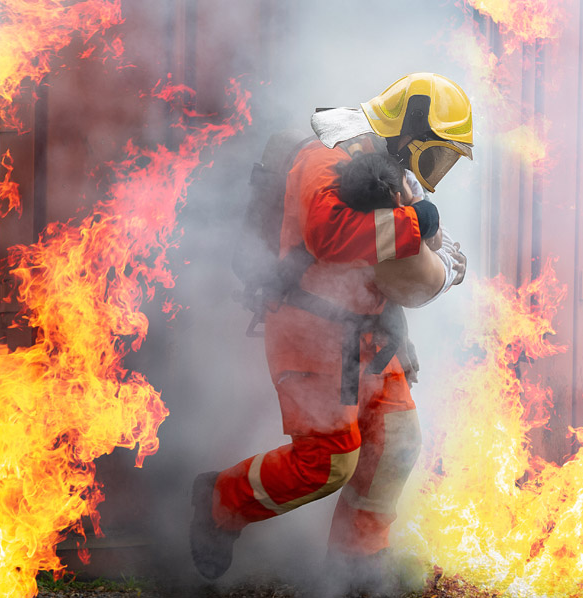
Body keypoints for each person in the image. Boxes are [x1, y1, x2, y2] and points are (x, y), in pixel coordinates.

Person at [190, 73, 473, 586]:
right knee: (326, 465)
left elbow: (410, 260)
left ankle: (356, 572)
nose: (433, 172)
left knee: (396, 446)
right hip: (311, 331)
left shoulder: (391, 169)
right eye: (435, 155)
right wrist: (420, 226)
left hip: (371, 332)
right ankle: (220, 500)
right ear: (408, 132)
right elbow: (330, 235)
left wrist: (432, 266)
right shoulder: (325, 156)